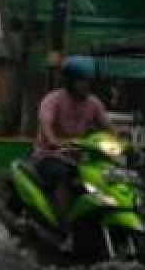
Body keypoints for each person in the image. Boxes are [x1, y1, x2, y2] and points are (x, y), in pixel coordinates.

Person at [33, 55, 113, 247]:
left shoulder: (93, 103)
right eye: (81, 81)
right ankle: (64, 227)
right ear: (69, 81)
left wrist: (122, 139)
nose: (85, 85)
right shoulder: (53, 100)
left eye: (88, 81)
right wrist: (53, 140)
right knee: (65, 178)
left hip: (80, 159)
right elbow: (46, 123)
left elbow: (108, 127)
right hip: (50, 155)